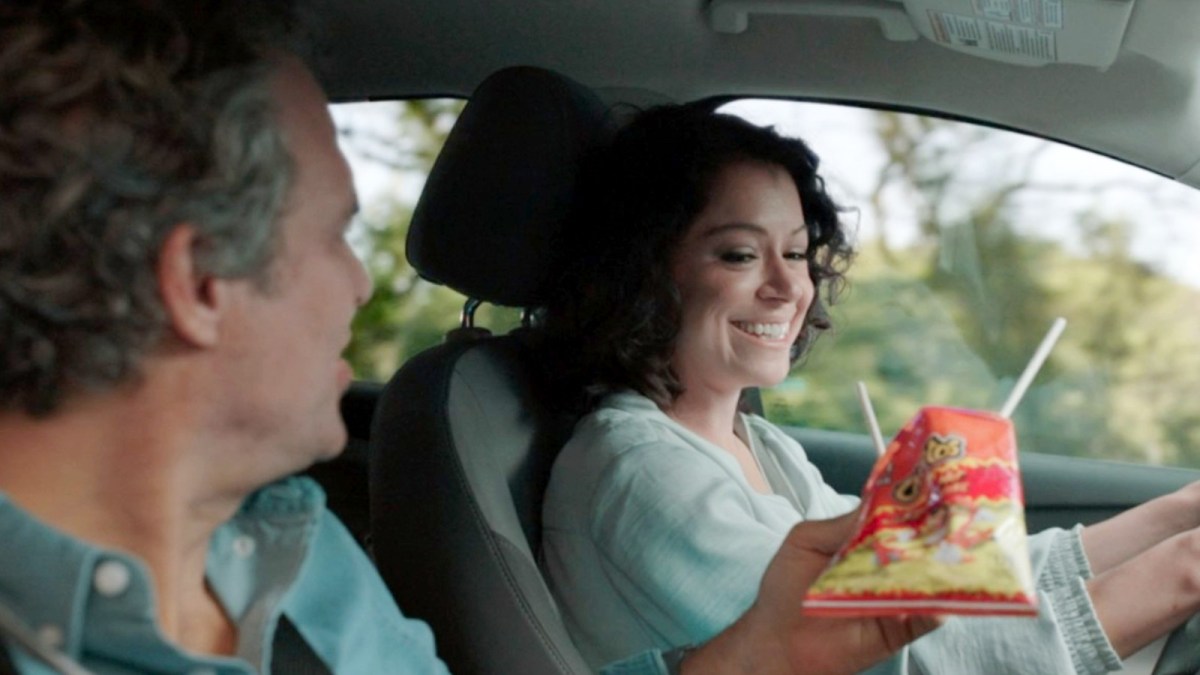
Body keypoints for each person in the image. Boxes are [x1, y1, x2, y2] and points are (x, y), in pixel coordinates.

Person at [0, 2, 936, 673]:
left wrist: (764, 650)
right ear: (201, 281)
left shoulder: (292, 546)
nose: (361, 283)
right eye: (332, 234)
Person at [536, 103, 1200, 674]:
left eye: (795, 253)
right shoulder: (639, 474)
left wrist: (1175, 514)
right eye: (740, 253)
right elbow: (889, 651)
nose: (788, 286)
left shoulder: (759, 445)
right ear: (645, 271)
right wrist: (1181, 571)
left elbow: (931, 581)